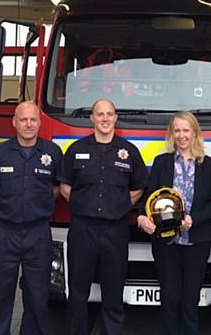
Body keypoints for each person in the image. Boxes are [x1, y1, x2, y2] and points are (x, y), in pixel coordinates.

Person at [58, 99, 148, 335]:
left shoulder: (128, 151)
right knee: (78, 290)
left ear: (115, 118)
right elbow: (65, 185)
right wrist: (81, 204)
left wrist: (119, 207)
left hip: (115, 230)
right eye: (100, 114)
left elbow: (138, 187)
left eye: (109, 114)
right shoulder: (76, 150)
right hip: (82, 229)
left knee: (113, 290)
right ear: (92, 118)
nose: (105, 119)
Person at [0, 101, 62, 335]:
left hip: (38, 233)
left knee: (37, 294)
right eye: (23, 119)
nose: (28, 124)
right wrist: (2, 201)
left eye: (33, 120)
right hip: (5, 233)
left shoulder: (52, 153)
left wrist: (40, 202)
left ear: (40, 123)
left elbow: (58, 187)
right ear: (14, 122)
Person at [136, 111, 211, 335]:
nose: (182, 136)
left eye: (186, 130)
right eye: (177, 130)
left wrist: (195, 219)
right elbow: (149, 199)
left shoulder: (209, 165)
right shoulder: (161, 162)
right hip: (166, 242)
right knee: (170, 299)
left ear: (195, 133)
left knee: (190, 300)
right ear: (171, 134)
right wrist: (143, 218)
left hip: (196, 242)